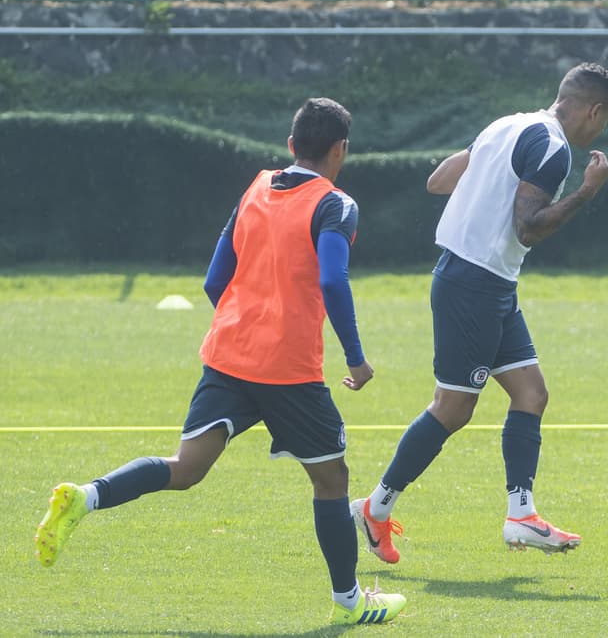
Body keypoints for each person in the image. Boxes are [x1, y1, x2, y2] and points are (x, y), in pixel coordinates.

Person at [34, 98, 406, 625]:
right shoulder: (336, 204)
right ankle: (350, 602)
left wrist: (245, 324)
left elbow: (215, 278)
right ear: (340, 149)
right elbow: (331, 278)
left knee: (186, 468)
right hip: (288, 371)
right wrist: (356, 358)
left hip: (228, 355)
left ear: (290, 145)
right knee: (332, 480)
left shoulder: (256, 187)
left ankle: (87, 496)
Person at [352, 62, 608, 562]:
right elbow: (529, 228)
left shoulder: (509, 123)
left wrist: (484, 192)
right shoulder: (554, 149)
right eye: (604, 122)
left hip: (489, 281)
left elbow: (439, 180)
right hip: (473, 284)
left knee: (530, 392)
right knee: (453, 407)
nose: (599, 131)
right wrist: (588, 191)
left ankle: (521, 514)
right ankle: (375, 507)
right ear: (594, 110)